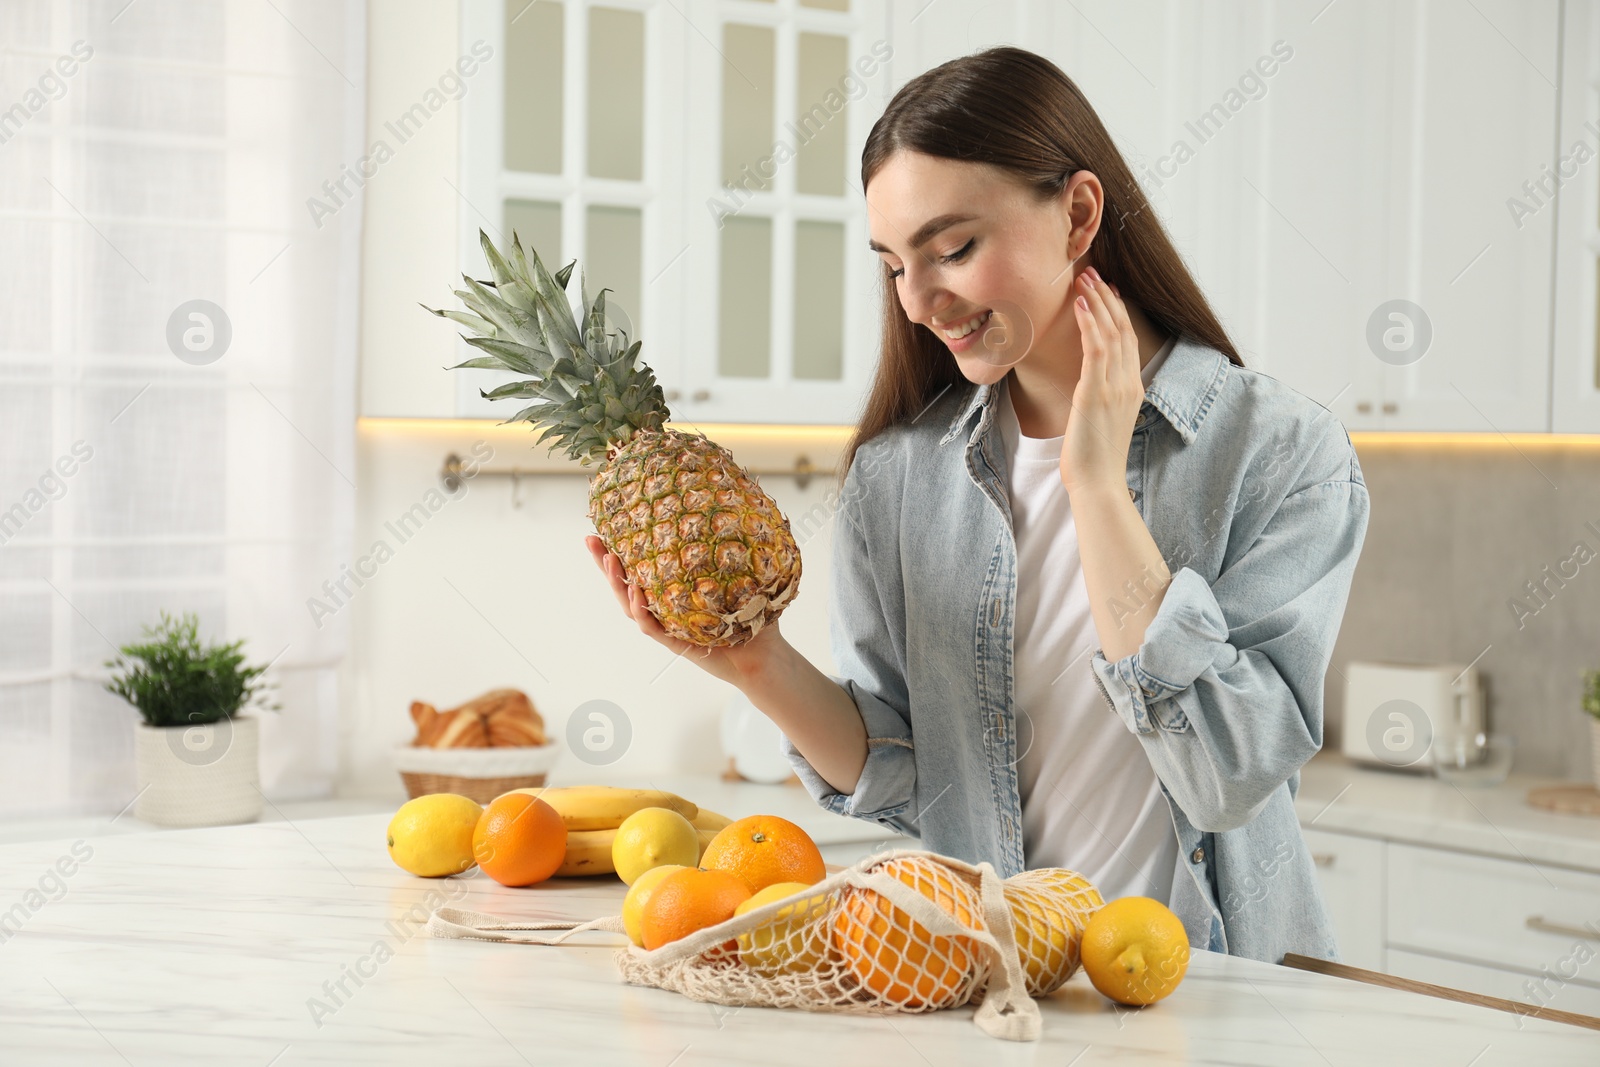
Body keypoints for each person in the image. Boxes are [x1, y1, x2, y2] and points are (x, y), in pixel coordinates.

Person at [587, 45, 1369, 966]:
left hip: (1208, 991)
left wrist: (1096, 489)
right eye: (892, 266)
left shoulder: (1280, 451)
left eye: (954, 249)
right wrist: (756, 664)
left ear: (1078, 213)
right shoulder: (898, 473)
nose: (919, 301)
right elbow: (908, 775)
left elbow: (1227, 776)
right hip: (989, 985)